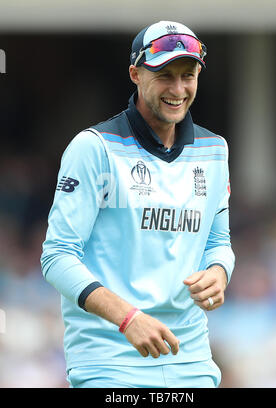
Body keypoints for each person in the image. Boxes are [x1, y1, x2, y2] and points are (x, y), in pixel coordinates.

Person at [41, 20, 235, 388]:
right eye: (165, 75)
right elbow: (57, 256)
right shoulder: (93, 148)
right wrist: (128, 318)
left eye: (188, 75)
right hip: (108, 363)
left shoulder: (215, 151)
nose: (178, 89)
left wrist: (218, 273)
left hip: (191, 360)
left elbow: (218, 243)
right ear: (136, 73)